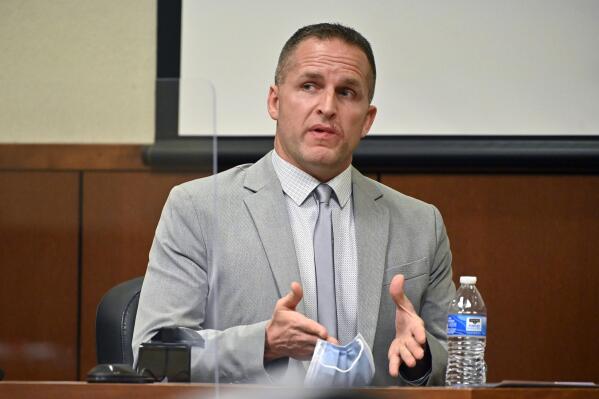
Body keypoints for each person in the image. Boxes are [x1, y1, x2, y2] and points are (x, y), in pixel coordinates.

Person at [132, 23, 455, 386]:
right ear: (274, 101)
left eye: (347, 92)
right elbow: (154, 350)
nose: (328, 107)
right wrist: (264, 344)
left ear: (367, 119)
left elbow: (456, 361)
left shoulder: (420, 223)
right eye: (309, 86)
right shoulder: (199, 208)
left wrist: (421, 359)